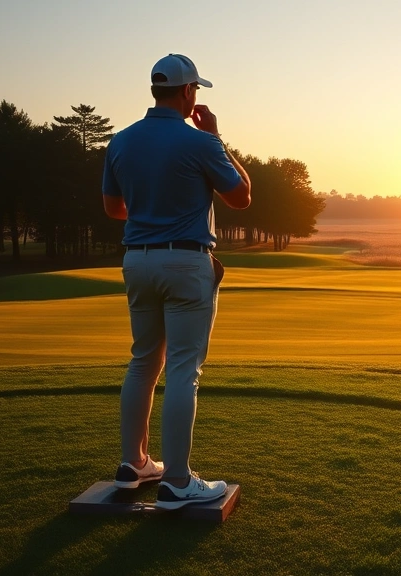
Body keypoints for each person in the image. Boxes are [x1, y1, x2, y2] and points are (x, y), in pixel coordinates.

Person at [102, 53, 251, 510]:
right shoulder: (201, 142)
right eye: (196, 90)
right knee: (184, 369)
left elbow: (114, 209)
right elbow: (241, 197)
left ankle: (135, 465)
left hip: (136, 260)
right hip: (186, 263)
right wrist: (217, 138)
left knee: (143, 362)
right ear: (188, 93)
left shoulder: (121, 141)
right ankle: (178, 481)